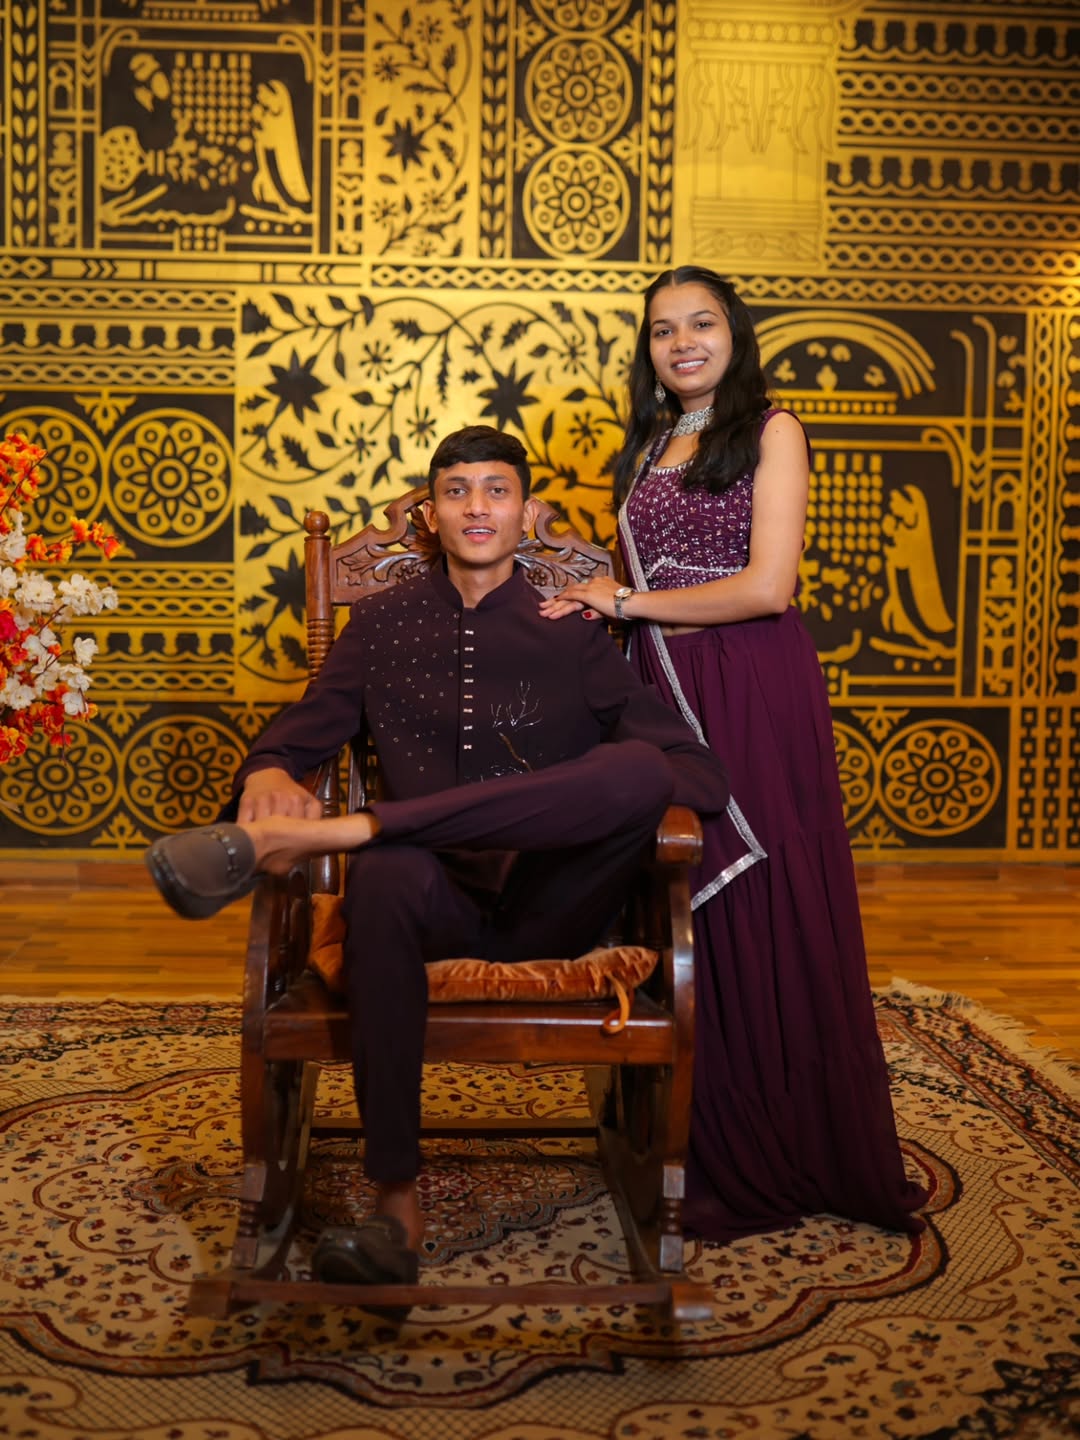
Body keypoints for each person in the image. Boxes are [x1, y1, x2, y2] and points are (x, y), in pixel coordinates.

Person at [145, 423, 730, 1291]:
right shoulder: (380, 626)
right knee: (384, 876)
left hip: (555, 901)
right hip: (427, 901)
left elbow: (696, 773)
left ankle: (355, 829)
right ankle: (396, 1207)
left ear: (525, 512)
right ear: (430, 515)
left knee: (640, 771)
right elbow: (304, 729)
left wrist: (366, 822)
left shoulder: (571, 633)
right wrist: (268, 768)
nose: (477, 507)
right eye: (457, 491)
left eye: (497, 490)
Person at [540, 268, 927, 1242]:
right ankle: (685, 1131)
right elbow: (637, 579)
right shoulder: (649, 443)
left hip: (749, 684)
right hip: (662, 681)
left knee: (753, 892)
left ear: (735, 334)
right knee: (677, 894)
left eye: (701, 324)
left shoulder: (771, 430)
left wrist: (625, 602)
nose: (682, 344)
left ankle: (779, 1143)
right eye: (663, 330)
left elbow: (766, 588)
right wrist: (576, 577)